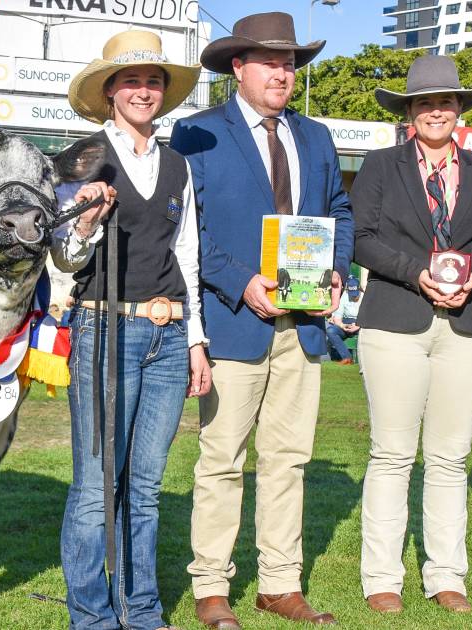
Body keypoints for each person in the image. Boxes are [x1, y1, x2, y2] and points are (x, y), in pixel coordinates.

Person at [171, 11, 353, 627]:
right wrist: (240, 281)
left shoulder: (316, 136)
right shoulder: (196, 133)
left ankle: (280, 583)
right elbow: (187, 231)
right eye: (271, 62)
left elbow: (339, 215)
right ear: (237, 68)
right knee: (222, 459)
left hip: (302, 326)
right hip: (231, 321)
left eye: (291, 63)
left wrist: (335, 271)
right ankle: (211, 587)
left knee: (288, 458)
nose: (284, 72)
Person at [350, 55, 472, 615]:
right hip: (395, 319)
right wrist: (415, 271)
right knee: (392, 454)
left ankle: (448, 575)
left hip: (465, 325)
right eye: (424, 103)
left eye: (445, 102)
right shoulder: (380, 166)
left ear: (459, 110)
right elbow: (363, 238)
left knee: (450, 458)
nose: (435, 111)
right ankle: (382, 578)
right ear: (409, 113)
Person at [52, 30, 208, 630]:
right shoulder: (85, 158)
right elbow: (64, 257)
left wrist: (196, 340)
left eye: (153, 81)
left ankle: (141, 610)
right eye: (132, 80)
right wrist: (87, 222)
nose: (143, 91)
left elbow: (186, 254)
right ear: (110, 90)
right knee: (96, 488)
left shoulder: (178, 166)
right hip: (104, 332)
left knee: (144, 488)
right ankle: (90, 616)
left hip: (169, 336)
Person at [325, 276, 361, 364]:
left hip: (361, 323)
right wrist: (342, 326)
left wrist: (358, 325)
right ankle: (347, 358)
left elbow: (368, 318)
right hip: (346, 322)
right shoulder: (344, 296)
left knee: (367, 332)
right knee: (331, 331)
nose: (353, 296)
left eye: (355, 293)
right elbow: (337, 317)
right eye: (351, 292)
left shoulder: (365, 297)